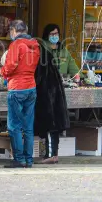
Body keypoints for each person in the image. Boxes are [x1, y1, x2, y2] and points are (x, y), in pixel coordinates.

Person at [0, 19, 40, 168]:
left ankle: (19, 159)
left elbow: (10, 66)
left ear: (13, 30)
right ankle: (29, 160)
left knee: (14, 126)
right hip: (31, 88)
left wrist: (2, 72)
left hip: (17, 88)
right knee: (28, 127)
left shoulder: (16, 44)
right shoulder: (35, 45)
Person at [35, 24, 75, 164]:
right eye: (52, 34)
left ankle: (52, 155)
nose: (54, 36)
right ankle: (51, 154)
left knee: (51, 123)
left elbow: (74, 70)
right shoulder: (41, 48)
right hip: (50, 90)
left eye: (56, 33)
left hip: (51, 91)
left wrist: (77, 76)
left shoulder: (63, 51)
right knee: (51, 122)